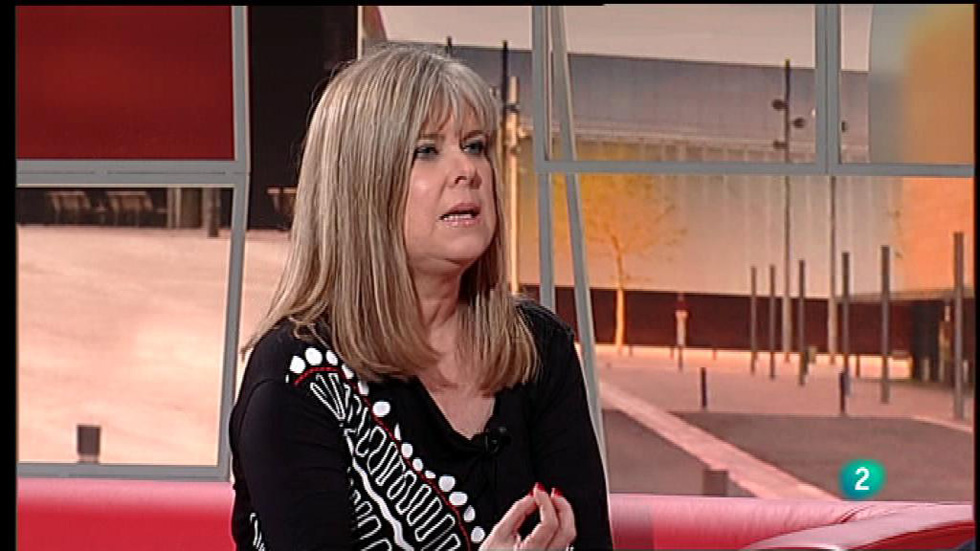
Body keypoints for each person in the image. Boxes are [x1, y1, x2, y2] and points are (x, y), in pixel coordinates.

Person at [229, 43, 612, 550]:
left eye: (474, 145)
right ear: (361, 184)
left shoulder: (539, 349)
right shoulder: (298, 377)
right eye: (426, 151)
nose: (468, 170)